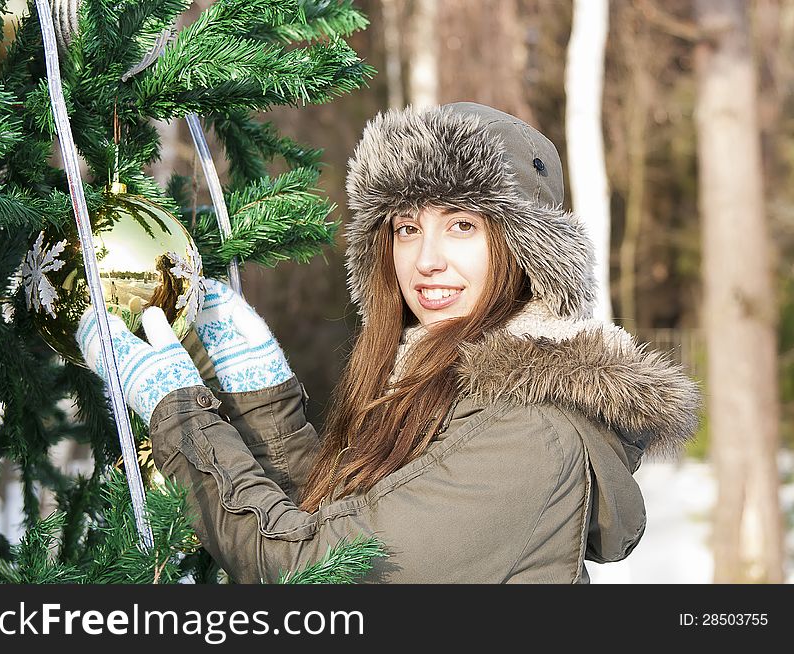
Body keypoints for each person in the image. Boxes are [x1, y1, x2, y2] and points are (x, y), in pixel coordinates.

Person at [76, 102, 700, 583]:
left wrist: (176, 410)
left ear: (524, 247)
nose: (425, 259)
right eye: (406, 227)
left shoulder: (531, 438)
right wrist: (259, 394)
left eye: (461, 225)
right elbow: (334, 525)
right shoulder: (431, 387)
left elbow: (314, 573)